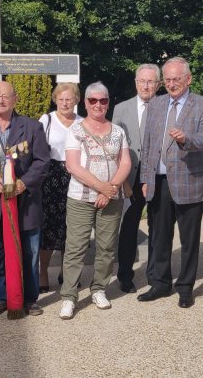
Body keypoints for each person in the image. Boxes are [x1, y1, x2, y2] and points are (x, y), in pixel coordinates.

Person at [138, 57, 203, 308]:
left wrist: (186, 139)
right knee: (159, 236)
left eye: (177, 79)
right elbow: (148, 144)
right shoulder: (156, 104)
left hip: (188, 182)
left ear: (188, 79)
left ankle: (185, 287)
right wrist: (145, 178)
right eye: (168, 80)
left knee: (189, 239)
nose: (172, 84)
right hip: (158, 182)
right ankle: (160, 284)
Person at [0, 81, 50, 317]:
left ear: (15, 99)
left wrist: (25, 182)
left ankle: (30, 299)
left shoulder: (32, 127)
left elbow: (42, 162)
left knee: (30, 254)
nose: (0, 100)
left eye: (5, 96)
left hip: (25, 204)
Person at [58, 82, 131, 319]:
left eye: (103, 100)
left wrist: (109, 191)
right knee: (76, 248)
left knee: (107, 247)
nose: (98, 105)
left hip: (112, 198)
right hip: (81, 197)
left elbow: (125, 162)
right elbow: (73, 165)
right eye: (93, 101)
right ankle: (69, 296)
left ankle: (99, 288)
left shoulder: (118, 131)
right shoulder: (75, 130)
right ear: (85, 103)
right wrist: (102, 188)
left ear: (108, 102)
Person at [113, 64, 161, 294]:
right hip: (130, 176)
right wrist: (122, 180)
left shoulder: (165, 107)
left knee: (159, 225)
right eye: (142, 81)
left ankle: (156, 274)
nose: (146, 85)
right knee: (129, 227)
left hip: (158, 176)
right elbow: (114, 148)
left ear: (158, 84)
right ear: (135, 82)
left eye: (151, 81)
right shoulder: (121, 109)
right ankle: (125, 275)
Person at [38, 82, 83, 292]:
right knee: (49, 227)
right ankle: (43, 271)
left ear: (76, 100)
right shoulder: (46, 120)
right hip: (50, 179)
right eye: (61, 99)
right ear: (55, 100)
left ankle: (68, 272)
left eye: (69, 99)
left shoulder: (83, 122)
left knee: (72, 228)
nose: (65, 103)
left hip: (77, 177)